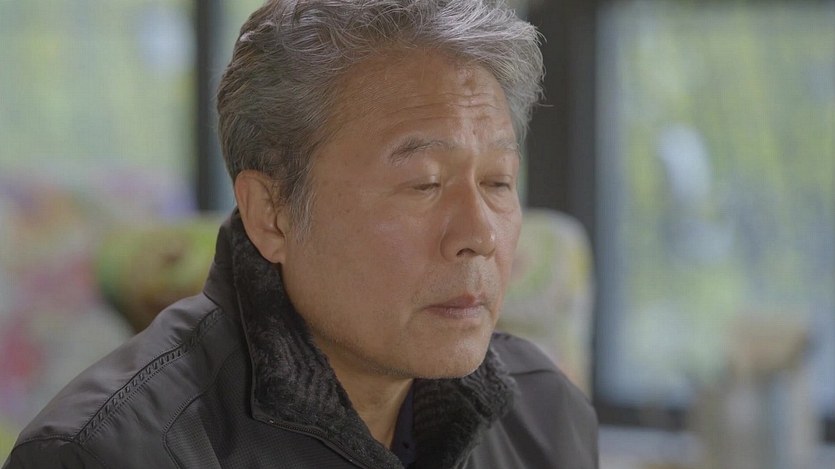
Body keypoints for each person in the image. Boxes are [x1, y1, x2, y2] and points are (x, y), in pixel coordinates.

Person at [3, 0, 598, 467]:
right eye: (424, 183)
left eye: (498, 181)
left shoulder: (547, 414)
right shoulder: (106, 453)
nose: (479, 235)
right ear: (271, 213)